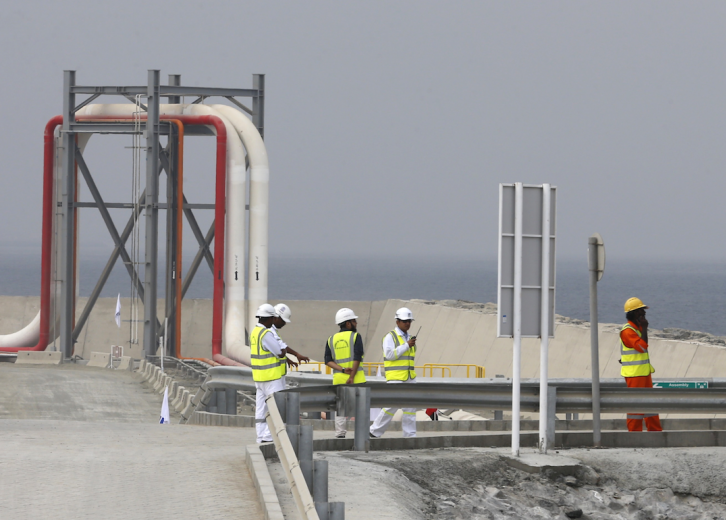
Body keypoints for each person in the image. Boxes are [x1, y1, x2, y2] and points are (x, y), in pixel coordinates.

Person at [370, 307, 418, 439]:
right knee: (390, 406)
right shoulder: (390, 337)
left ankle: (410, 436)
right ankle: (374, 431)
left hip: (408, 378)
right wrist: (406, 345)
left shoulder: (409, 338)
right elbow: (390, 355)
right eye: (404, 321)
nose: (407, 323)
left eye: (409, 321)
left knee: (410, 408)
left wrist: (408, 344)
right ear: (397, 322)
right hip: (396, 378)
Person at [249, 304, 293, 443]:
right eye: (272, 318)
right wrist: (284, 351)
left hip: (259, 377)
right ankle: (269, 436)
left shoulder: (255, 332)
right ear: (268, 319)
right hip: (271, 378)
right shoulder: (266, 334)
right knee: (275, 407)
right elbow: (280, 352)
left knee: (261, 409)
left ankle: (261, 436)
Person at [621, 297, 663, 432]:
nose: (644, 314)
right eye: (640, 311)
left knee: (650, 404)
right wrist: (645, 328)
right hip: (635, 375)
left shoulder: (636, 329)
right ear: (632, 313)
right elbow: (643, 347)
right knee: (636, 406)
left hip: (643, 373)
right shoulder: (628, 331)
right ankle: (634, 435)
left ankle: (655, 431)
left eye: (644, 311)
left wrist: (643, 328)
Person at [325, 307, 366, 438]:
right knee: (360, 408)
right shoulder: (355, 336)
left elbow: (327, 361)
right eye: (354, 321)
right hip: (356, 379)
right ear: (348, 323)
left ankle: (340, 434)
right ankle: (361, 435)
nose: (356, 323)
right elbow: (357, 357)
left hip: (339, 379)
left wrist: (342, 370)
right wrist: (352, 376)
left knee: (341, 409)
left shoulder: (331, 339)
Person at [271, 303, 310, 387]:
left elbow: (275, 350)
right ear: (276, 317)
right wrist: (296, 354)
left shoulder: (272, 330)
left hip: (275, 375)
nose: (284, 323)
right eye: (283, 321)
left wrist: (287, 360)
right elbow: (281, 347)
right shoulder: (270, 331)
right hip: (273, 376)